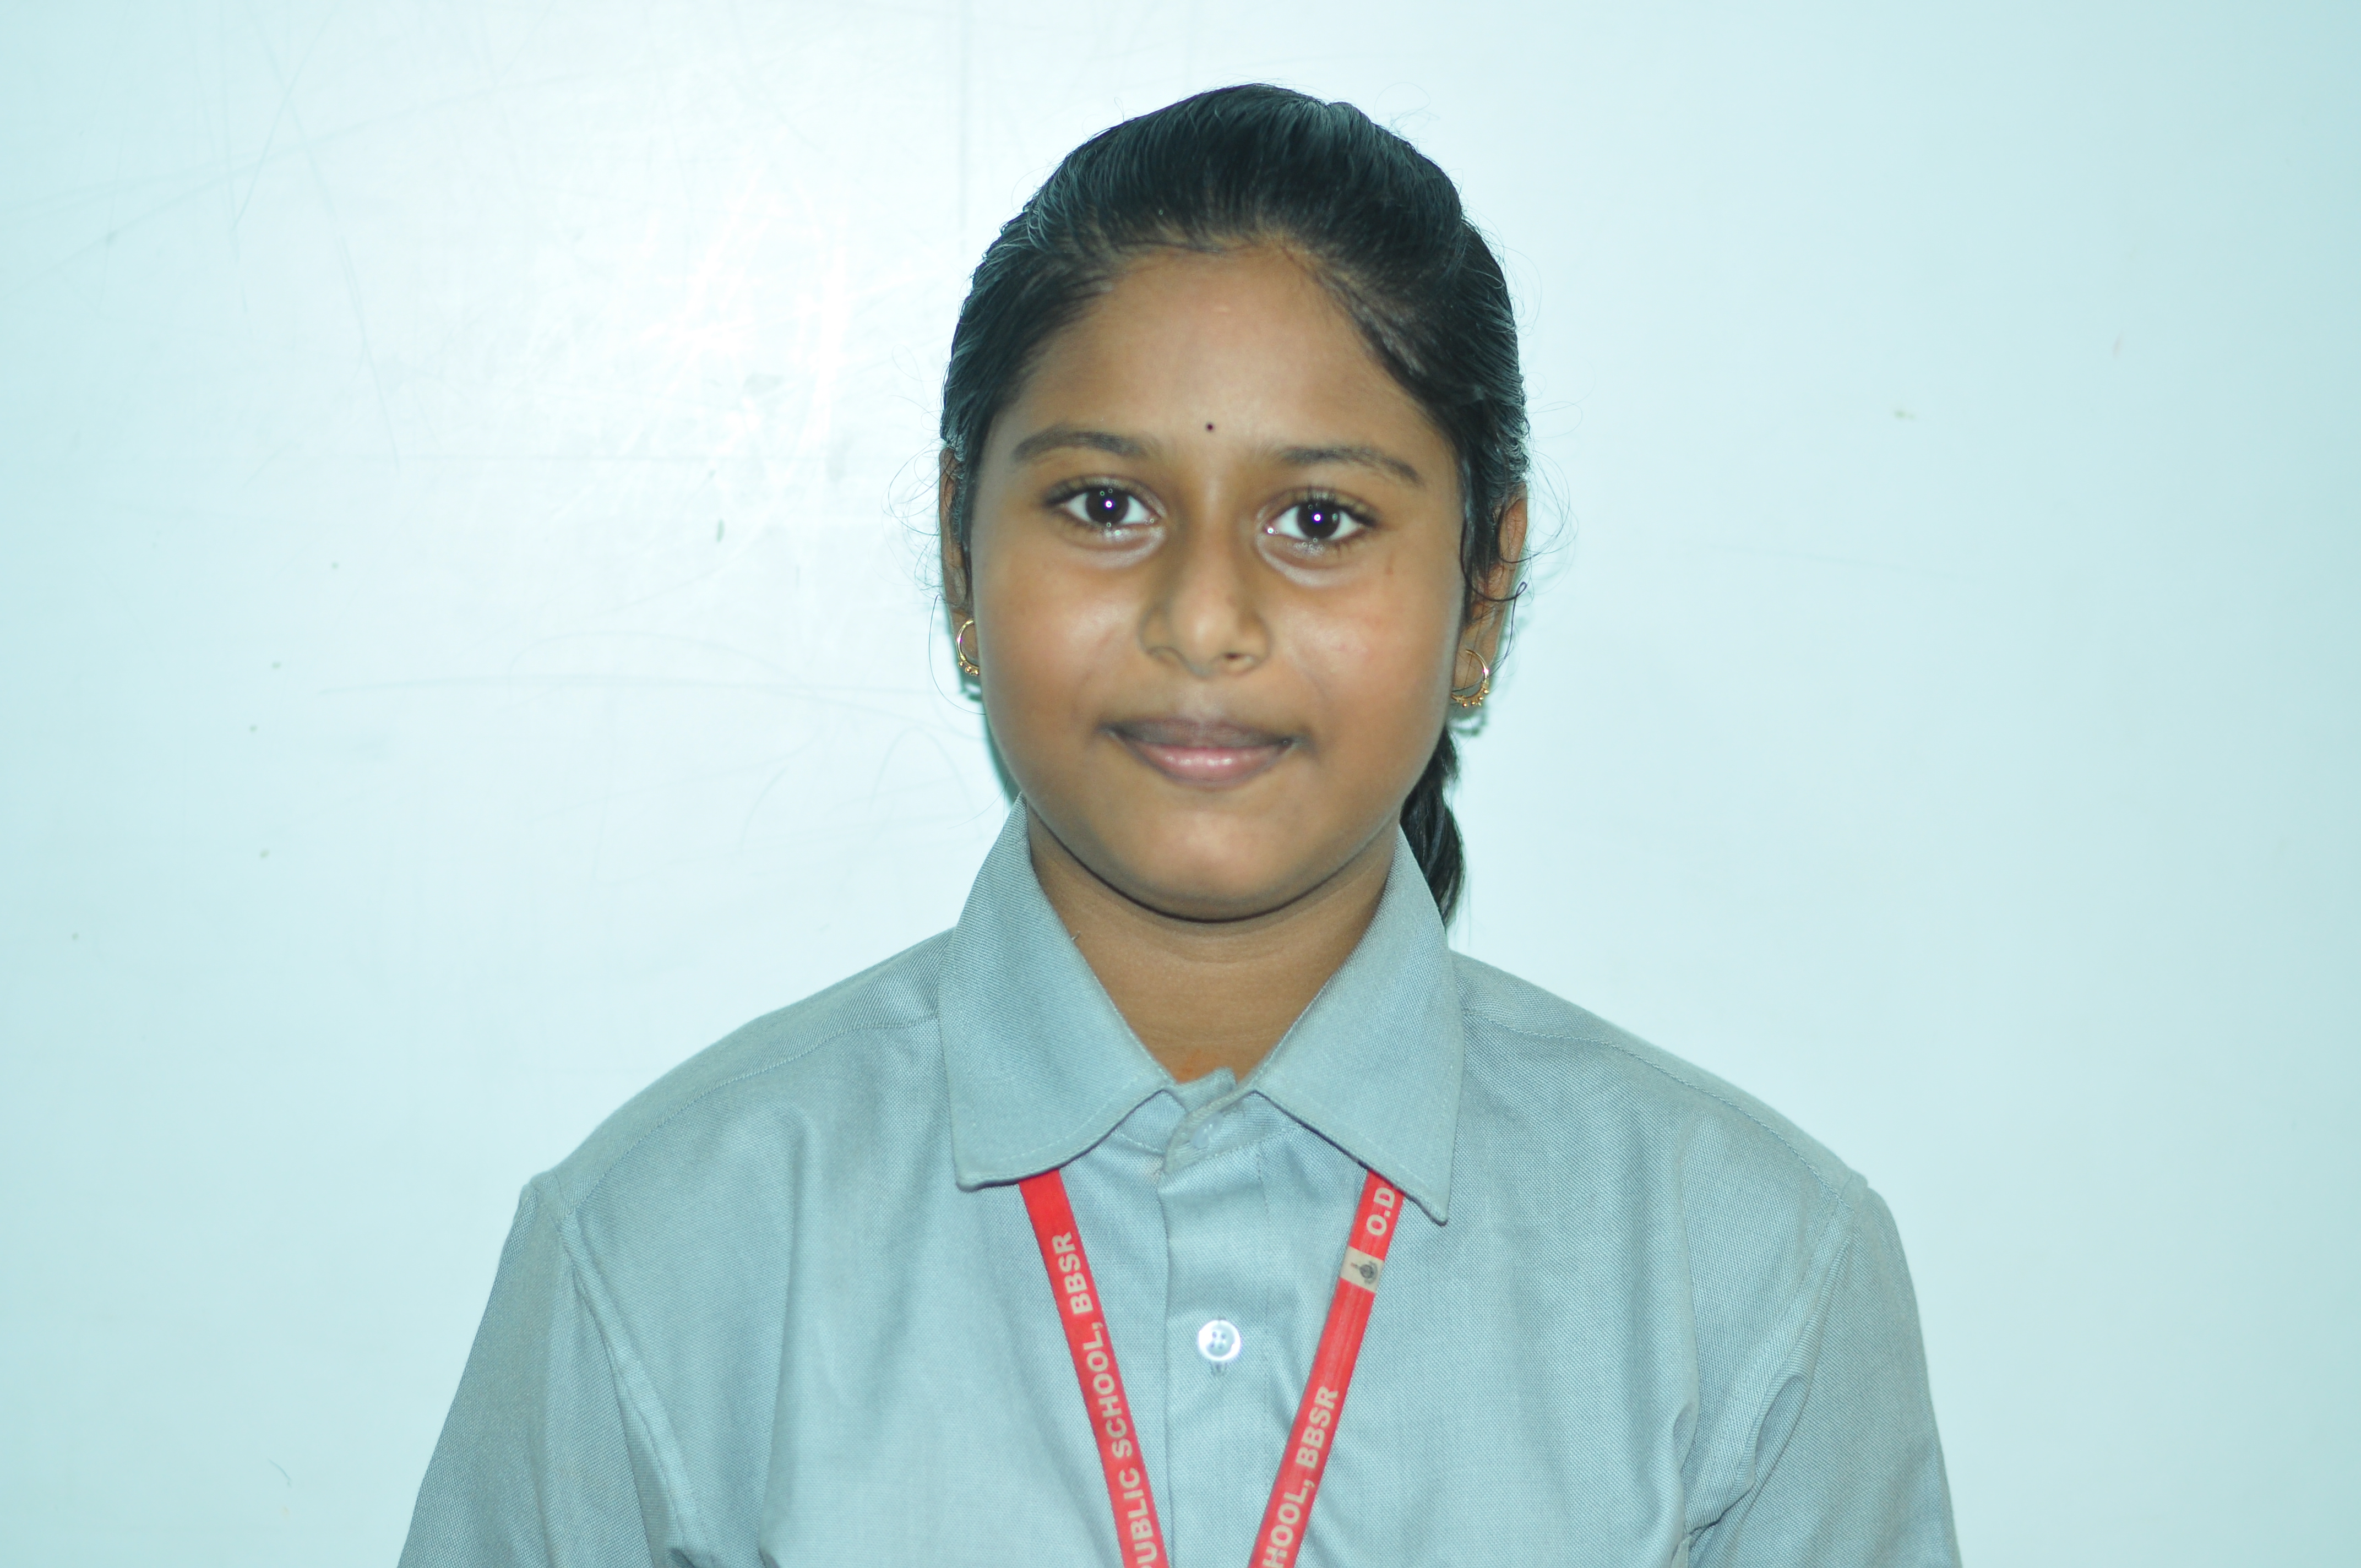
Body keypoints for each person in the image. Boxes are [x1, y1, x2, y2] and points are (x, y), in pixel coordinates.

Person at [400, 85, 1958, 1567]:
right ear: (959, 554)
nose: (1204, 617)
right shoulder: (665, 1247)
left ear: (1482, 594)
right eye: (1105, 506)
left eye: (1321, 520)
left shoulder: (1748, 1276)